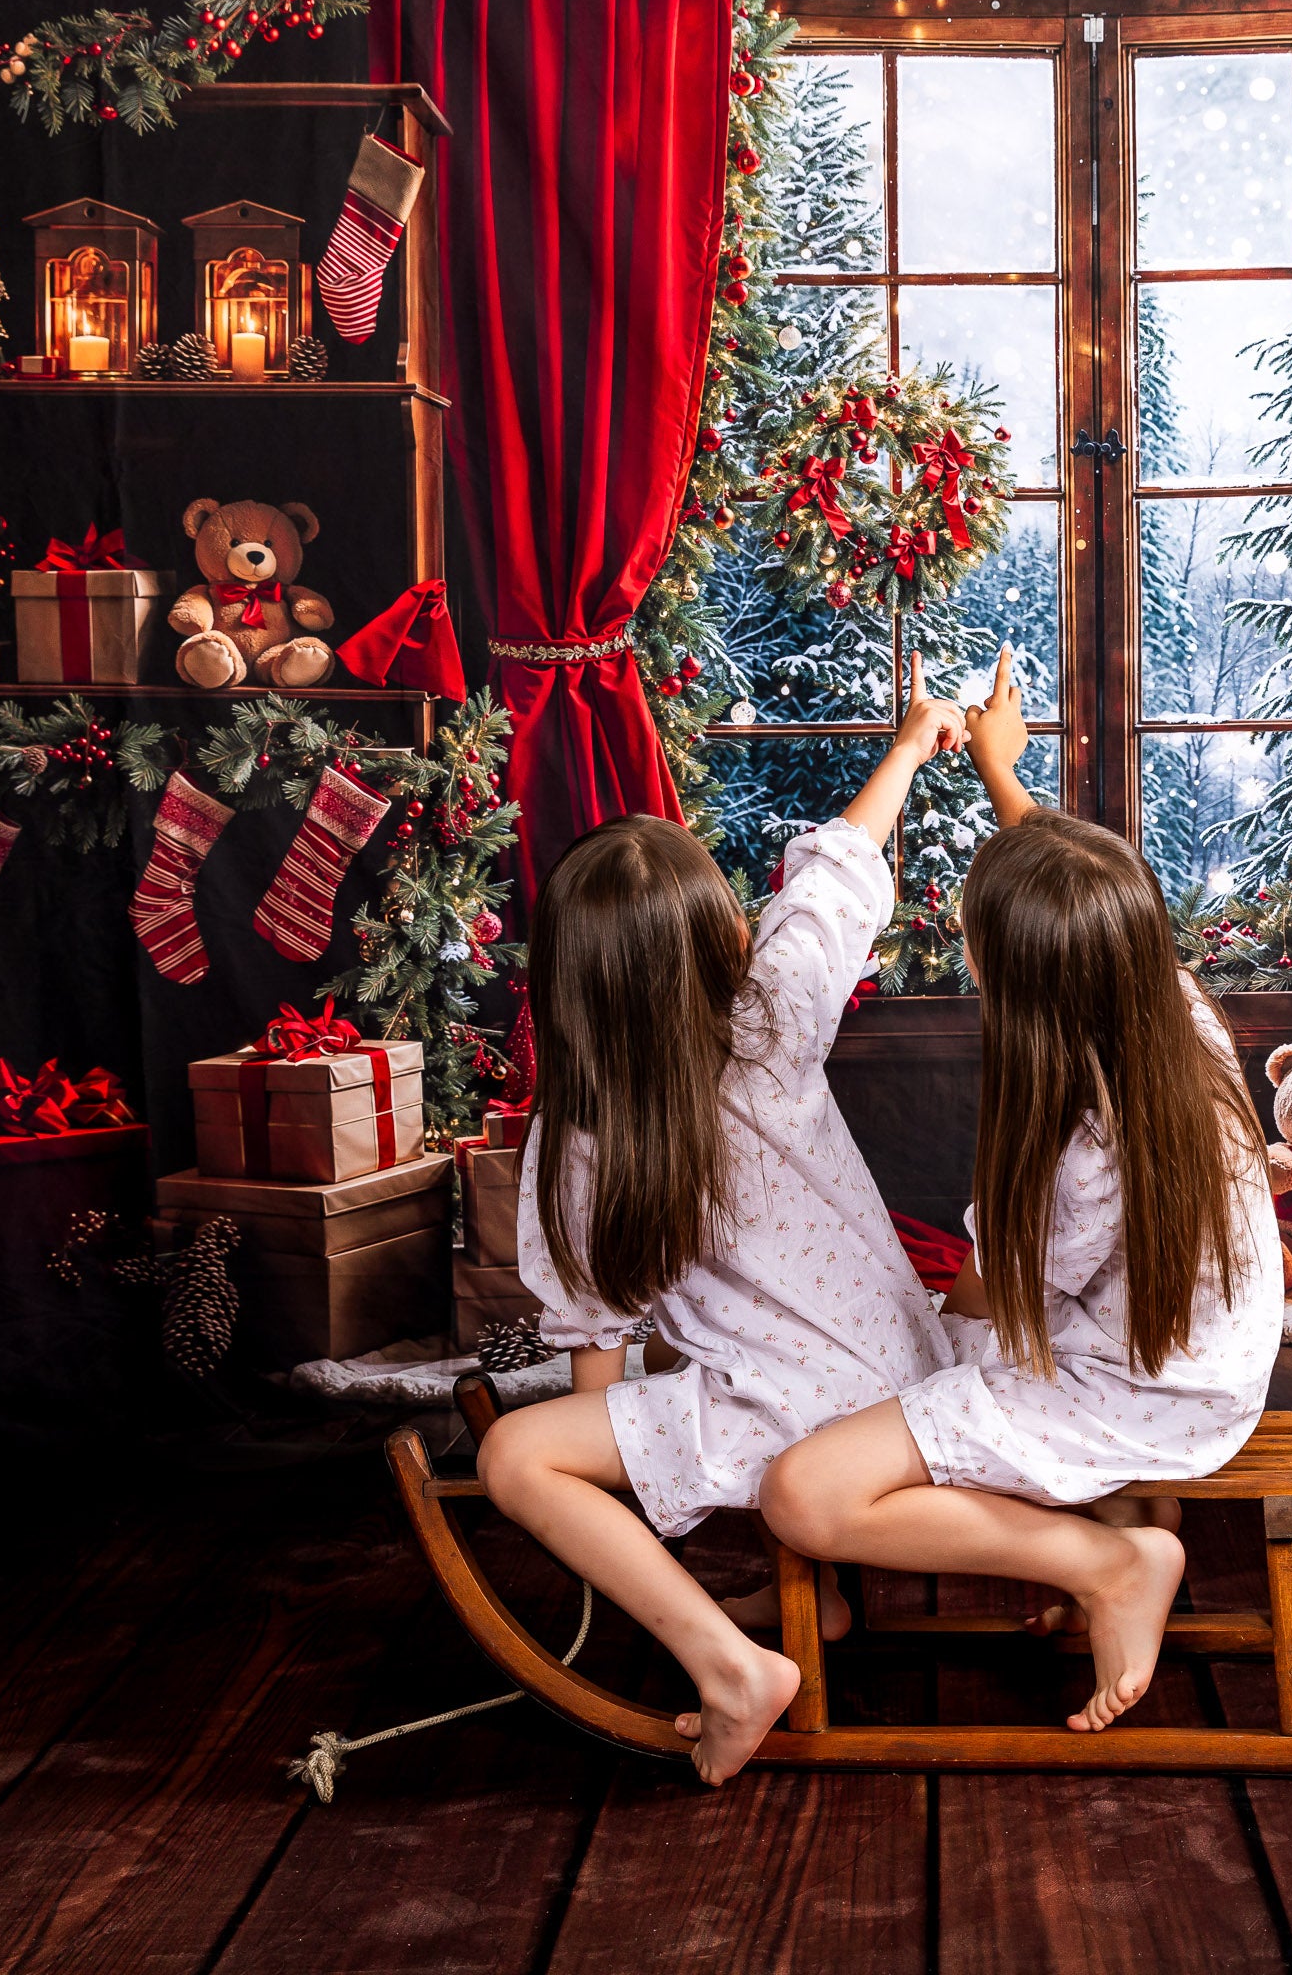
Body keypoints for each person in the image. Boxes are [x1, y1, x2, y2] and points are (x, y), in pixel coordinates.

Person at [760, 648, 1283, 1734]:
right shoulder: (1169, 1006)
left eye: (975, 946)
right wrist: (1003, 770)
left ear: (1019, 983)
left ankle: (1106, 1562)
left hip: (1137, 1395)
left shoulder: (1079, 1145)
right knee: (896, 1387)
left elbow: (997, 1294)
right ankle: (1101, 1540)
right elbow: (1077, 894)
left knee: (803, 1489)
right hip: (1207, 1364)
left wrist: (920, 1342)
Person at [477, 657, 968, 1786]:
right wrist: (905, 745)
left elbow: (594, 1351)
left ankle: (726, 1663)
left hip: (800, 1409)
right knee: (715, 1367)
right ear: (713, 936)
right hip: (902, 1369)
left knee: (520, 1455)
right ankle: (822, 1602)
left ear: (567, 978)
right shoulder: (773, 1014)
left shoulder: (577, 1130)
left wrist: (630, 1492)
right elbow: (837, 876)